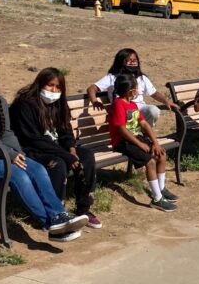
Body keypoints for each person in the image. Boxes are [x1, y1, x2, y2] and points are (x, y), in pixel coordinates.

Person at [0, 55, 88, 242]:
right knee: (18, 174)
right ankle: (50, 223)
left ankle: (58, 216)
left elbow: (7, 133)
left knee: (36, 168)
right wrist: (9, 155)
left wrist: (18, 153)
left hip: (0, 154)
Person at [11, 68, 101, 230]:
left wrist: (72, 149)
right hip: (32, 150)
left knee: (86, 155)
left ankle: (83, 209)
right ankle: (56, 212)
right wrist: (66, 155)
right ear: (40, 85)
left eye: (58, 87)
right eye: (50, 85)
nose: (54, 91)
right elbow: (33, 139)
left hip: (58, 148)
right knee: (57, 163)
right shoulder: (24, 105)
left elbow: (66, 129)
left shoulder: (58, 103)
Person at [109, 73, 177, 212]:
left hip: (134, 138)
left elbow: (144, 124)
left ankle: (161, 189)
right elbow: (121, 130)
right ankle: (157, 199)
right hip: (122, 141)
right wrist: (140, 145)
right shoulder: (118, 104)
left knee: (161, 154)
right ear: (131, 91)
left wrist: (156, 143)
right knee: (150, 161)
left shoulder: (132, 104)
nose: (139, 90)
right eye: (137, 87)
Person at [88, 48, 179, 126]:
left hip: (139, 108)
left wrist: (166, 101)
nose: (132, 63)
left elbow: (154, 93)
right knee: (131, 114)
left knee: (154, 110)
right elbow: (92, 88)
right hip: (121, 109)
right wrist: (95, 101)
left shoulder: (141, 78)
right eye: (128, 60)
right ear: (120, 62)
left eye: (135, 60)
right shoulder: (112, 77)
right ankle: (135, 137)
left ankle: (144, 133)